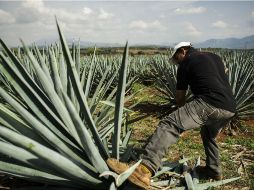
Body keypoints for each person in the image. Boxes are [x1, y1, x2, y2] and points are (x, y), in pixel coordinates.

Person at [107, 42, 236, 189]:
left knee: (169, 124)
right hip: (230, 107)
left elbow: (180, 96)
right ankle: (214, 170)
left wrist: (181, 116)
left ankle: (143, 170)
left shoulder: (186, 63)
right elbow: (224, 72)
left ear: (182, 51)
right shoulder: (214, 57)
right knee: (208, 134)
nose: (177, 62)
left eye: (177, 58)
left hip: (209, 102)